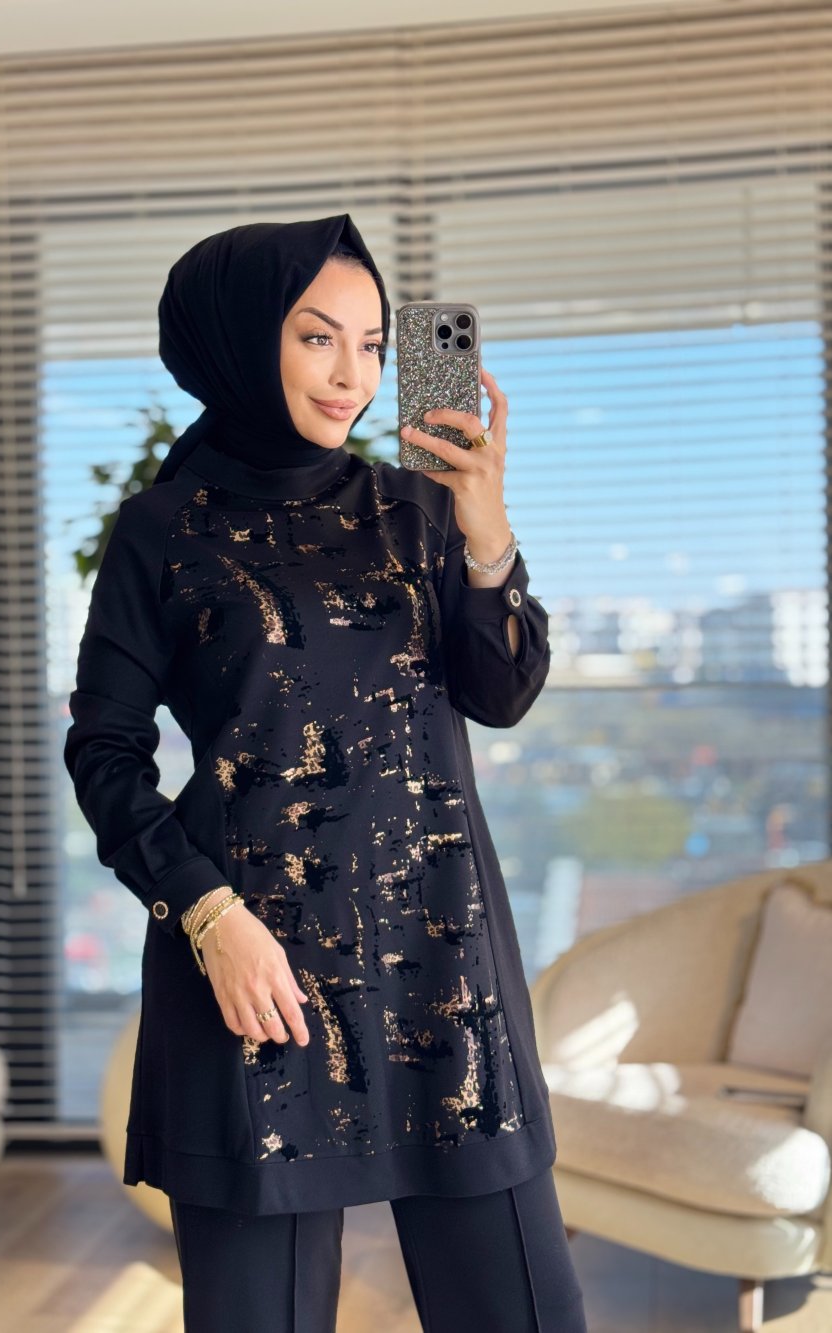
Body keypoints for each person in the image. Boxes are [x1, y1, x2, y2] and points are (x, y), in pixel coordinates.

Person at [64, 213, 587, 1332]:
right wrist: (207, 915)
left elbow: (500, 692)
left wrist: (486, 532)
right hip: (258, 981)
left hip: (442, 966)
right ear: (240, 339)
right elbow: (103, 752)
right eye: (317, 337)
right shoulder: (162, 530)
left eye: (374, 344)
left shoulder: (417, 510)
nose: (353, 374)